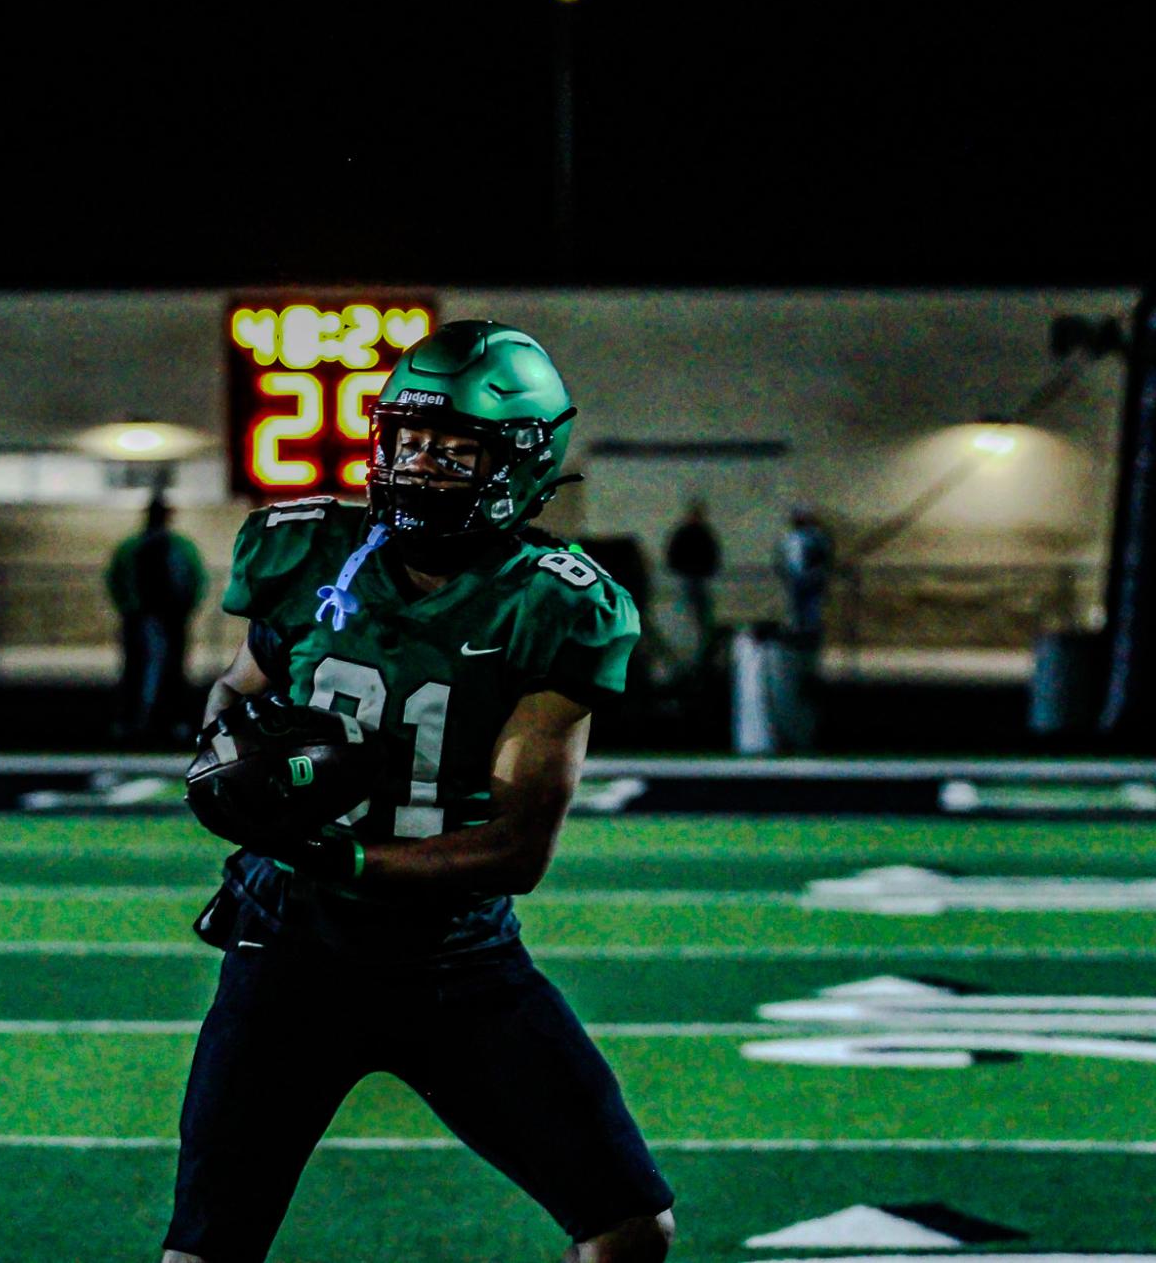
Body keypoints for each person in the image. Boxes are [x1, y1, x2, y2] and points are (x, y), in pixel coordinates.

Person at [163, 321, 675, 1263]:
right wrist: (225, 756)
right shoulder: (306, 547)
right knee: (204, 1251)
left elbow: (517, 851)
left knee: (629, 1229)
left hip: (454, 960)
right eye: (407, 439)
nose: (419, 464)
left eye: (453, 448)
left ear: (522, 459)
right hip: (289, 951)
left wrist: (338, 851)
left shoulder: (556, 603)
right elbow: (240, 686)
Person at [108, 494, 208, 743]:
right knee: (168, 668)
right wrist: (187, 607)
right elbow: (197, 578)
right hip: (167, 616)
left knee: (139, 667)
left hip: (145, 616)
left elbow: (116, 579)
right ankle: (168, 721)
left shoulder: (131, 546)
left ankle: (137, 721)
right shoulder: (181, 547)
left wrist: (128, 606)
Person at [664, 500, 721, 658]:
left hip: (696, 577)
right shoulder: (693, 533)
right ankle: (694, 644)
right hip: (690, 577)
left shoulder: (695, 533)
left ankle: (698, 645)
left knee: (698, 612)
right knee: (692, 612)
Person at [776, 506, 832, 647]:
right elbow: (782, 559)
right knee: (797, 612)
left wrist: (818, 572)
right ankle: (799, 640)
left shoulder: (815, 537)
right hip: (797, 580)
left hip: (810, 579)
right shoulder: (791, 537)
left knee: (810, 611)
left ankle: (809, 640)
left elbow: (824, 557)